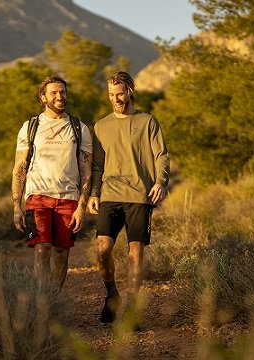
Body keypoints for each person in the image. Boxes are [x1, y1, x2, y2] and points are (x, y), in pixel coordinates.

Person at [88, 71, 170, 325]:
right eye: (112, 95)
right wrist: (94, 193)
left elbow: (161, 155)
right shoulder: (101, 126)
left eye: (120, 93)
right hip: (109, 195)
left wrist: (160, 181)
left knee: (136, 252)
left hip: (138, 195)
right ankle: (112, 293)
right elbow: (97, 166)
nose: (116, 99)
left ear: (130, 91)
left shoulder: (148, 122)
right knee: (103, 251)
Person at [11, 76, 92, 291]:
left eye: (62, 92)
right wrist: (16, 207)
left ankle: (55, 300)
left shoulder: (79, 128)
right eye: (54, 93)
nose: (59, 96)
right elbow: (19, 168)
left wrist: (81, 208)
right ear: (43, 97)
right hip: (37, 198)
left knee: (61, 252)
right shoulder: (30, 127)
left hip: (68, 199)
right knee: (42, 247)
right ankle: (42, 303)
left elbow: (86, 171)